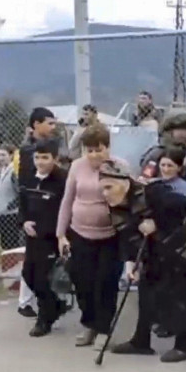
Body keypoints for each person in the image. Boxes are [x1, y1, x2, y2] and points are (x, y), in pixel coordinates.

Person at [100, 161, 186, 362]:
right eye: (102, 188)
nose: (105, 193)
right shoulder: (118, 208)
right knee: (146, 288)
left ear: (125, 183)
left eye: (108, 187)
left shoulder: (154, 193)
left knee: (182, 293)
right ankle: (141, 341)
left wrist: (157, 223)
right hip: (158, 247)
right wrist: (130, 264)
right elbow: (126, 236)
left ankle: (184, 346)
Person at [56, 123, 127, 348]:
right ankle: (89, 325)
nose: (94, 155)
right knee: (83, 282)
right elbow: (67, 201)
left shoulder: (119, 166)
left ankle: (104, 329)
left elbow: (129, 201)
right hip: (80, 234)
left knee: (106, 283)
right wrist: (61, 235)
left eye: (99, 149)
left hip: (111, 236)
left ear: (108, 147)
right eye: (90, 150)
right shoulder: (77, 167)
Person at [19, 138, 69, 336]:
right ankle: (55, 305)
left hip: (52, 238)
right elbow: (22, 203)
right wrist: (24, 222)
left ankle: (44, 318)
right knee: (28, 275)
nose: (40, 162)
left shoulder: (62, 180)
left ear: (55, 159)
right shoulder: (29, 177)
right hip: (33, 237)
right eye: (37, 157)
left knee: (43, 278)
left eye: (45, 157)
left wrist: (58, 233)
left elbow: (65, 210)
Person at [15, 107, 59, 317]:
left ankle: (46, 303)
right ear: (36, 124)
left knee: (44, 264)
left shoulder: (54, 146)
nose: (53, 127)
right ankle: (28, 302)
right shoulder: (27, 151)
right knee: (33, 264)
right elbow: (25, 185)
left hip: (50, 213)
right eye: (49, 123)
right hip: (35, 210)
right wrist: (26, 217)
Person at [0, 143, 22, 251]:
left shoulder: (13, 172)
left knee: (11, 245)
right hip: (1, 213)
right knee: (4, 245)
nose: (0, 158)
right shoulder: (2, 170)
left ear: (11, 156)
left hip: (11, 215)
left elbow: (19, 192)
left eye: (3, 155)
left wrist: (10, 206)